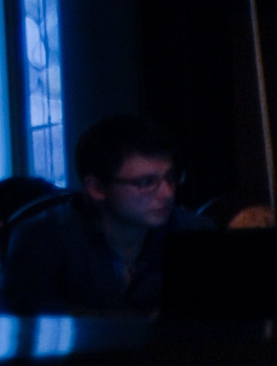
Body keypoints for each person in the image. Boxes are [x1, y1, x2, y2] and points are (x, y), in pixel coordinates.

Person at [2, 116, 180, 312]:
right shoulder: (41, 238)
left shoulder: (188, 230)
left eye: (171, 177)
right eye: (146, 182)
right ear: (97, 188)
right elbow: (33, 322)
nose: (168, 193)